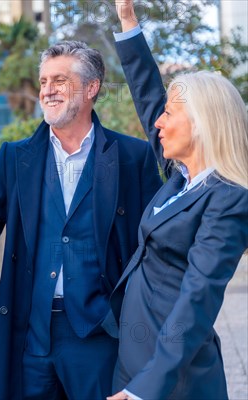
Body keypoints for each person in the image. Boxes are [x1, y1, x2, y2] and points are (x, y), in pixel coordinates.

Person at [0, 40, 163, 399]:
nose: (47, 90)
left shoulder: (131, 156)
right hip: (31, 333)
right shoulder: (17, 156)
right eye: (44, 81)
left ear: (91, 88)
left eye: (59, 80)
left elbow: (151, 240)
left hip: (100, 333)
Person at [104, 1, 248, 399]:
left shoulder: (228, 199)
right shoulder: (180, 177)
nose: (158, 122)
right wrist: (128, 22)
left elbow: (197, 299)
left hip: (171, 377)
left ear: (201, 126)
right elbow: (149, 97)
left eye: (171, 113)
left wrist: (143, 390)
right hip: (132, 361)